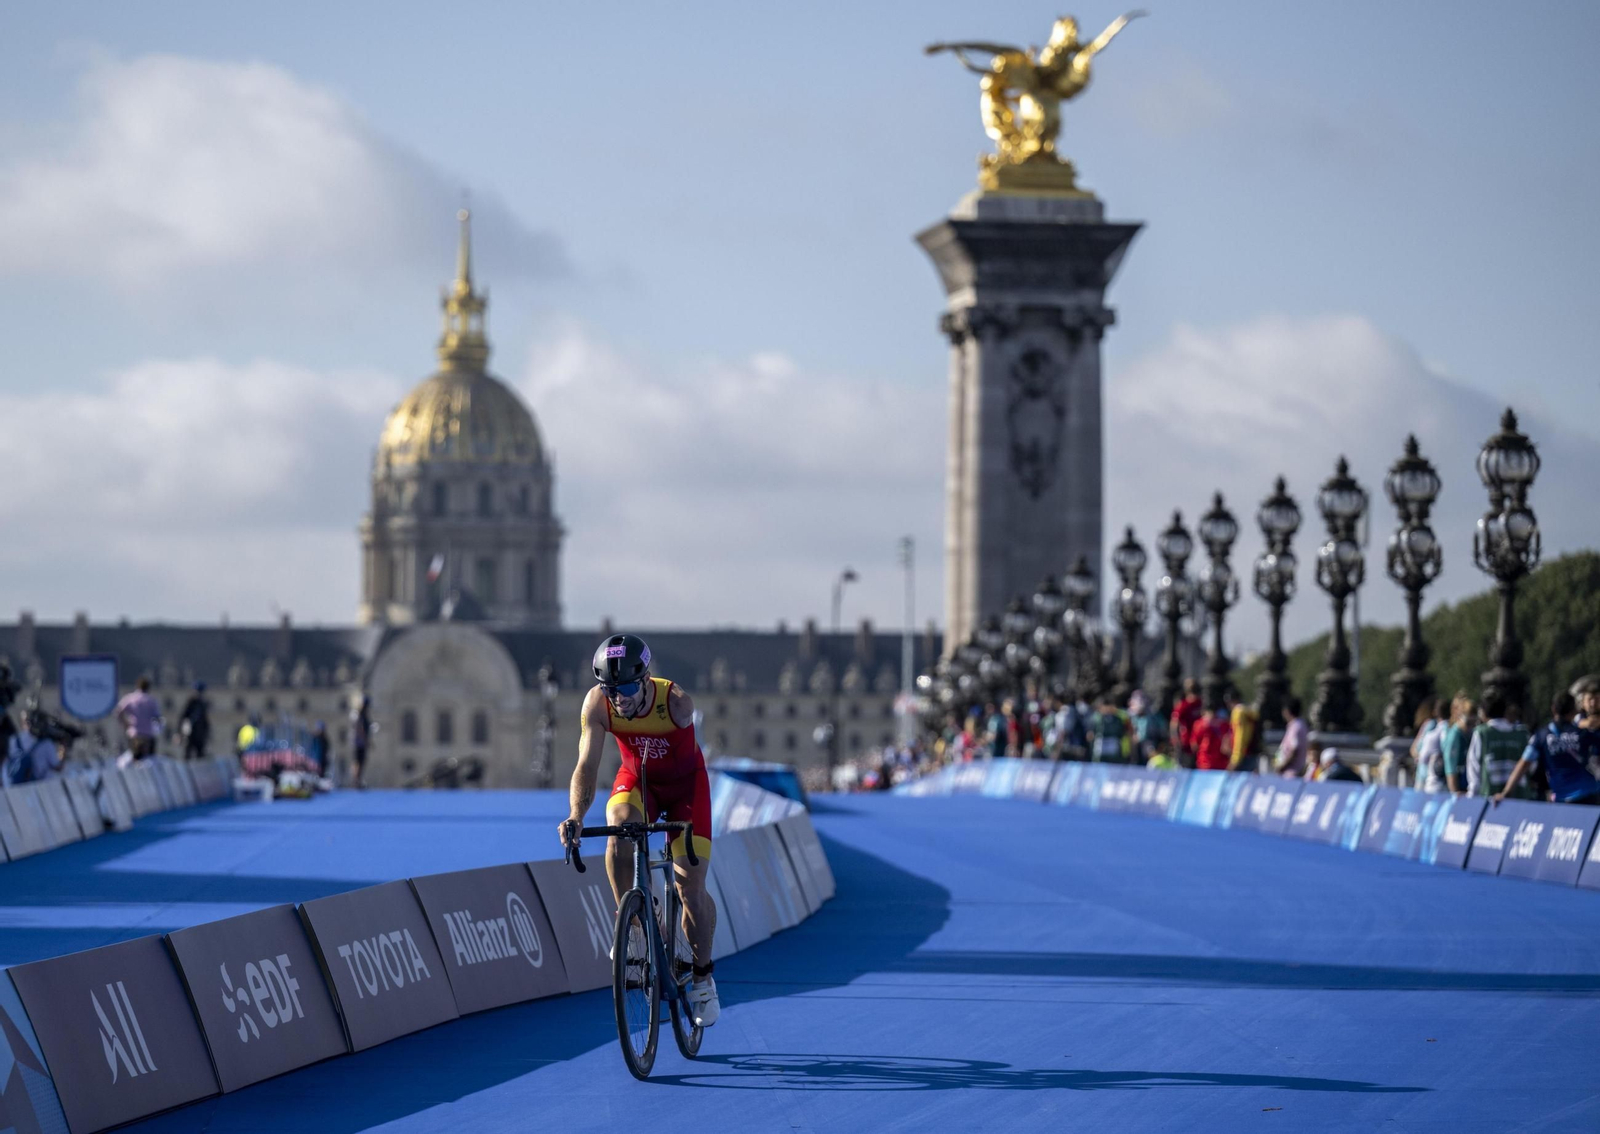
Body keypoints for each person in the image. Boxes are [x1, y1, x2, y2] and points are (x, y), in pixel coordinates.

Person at [560, 634, 720, 1028]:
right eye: (611, 689)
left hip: (685, 788)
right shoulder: (598, 704)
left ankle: (702, 976)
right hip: (638, 781)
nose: (620, 698)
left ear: (647, 679)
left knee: (690, 888)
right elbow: (587, 764)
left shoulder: (677, 703)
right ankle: (635, 926)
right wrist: (576, 816)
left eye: (628, 687)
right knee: (618, 830)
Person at [1494, 692, 1600, 805]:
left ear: (1553, 709)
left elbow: (1523, 764)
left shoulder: (1541, 736)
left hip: (1563, 799)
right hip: (1589, 796)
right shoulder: (1583, 733)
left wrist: (1506, 793)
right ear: (1574, 711)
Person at [1466, 692, 1531, 799]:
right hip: (1519, 799)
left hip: (1490, 801)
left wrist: (1472, 796)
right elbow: (1531, 766)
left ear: (1484, 712)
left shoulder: (1482, 733)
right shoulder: (1522, 734)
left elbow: (1474, 768)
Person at [4, 709, 62, 785]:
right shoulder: (47, 744)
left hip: (12, 785)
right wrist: (62, 750)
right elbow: (57, 767)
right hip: (36, 787)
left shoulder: (14, 739)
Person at [114, 677, 163, 760]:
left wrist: (125, 724)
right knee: (149, 760)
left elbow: (118, 711)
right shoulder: (151, 701)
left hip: (134, 733)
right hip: (148, 735)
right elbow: (157, 718)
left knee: (134, 758)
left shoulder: (130, 698)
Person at [1440, 694, 1477, 795]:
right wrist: (1455, 792)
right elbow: (1450, 766)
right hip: (1454, 787)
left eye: (1474, 723)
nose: (1471, 727)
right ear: (1460, 718)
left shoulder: (1471, 734)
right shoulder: (1455, 735)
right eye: (1468, 723)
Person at [1410, 697, 1448, 792]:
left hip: (1423, 773)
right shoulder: (1433, 725)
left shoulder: (1429, 725)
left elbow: (1415, 749)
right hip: (1432, 774)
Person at [1170, 678, 1203, 767]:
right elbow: (1175, 725)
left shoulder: (1199, 704)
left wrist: (1176, 741)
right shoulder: (1184, 706)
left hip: (1198, 745)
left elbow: (1174, 725)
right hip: (1188, 746)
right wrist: (1177, 742)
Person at [1273, 696, 1310, 777]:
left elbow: (1294, 750)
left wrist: (1282, 766)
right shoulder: (1296, 725)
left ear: (1287, 711)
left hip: (1291, 774)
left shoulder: (1296, 727)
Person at [1087, 695, 1130, 763]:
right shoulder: (1096, 718)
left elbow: (1123, 733)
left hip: (1114, 750)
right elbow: (1091, 734)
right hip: (1100, 750)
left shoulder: (1118, 719)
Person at [1226, 688, 1261, 773]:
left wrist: (1235, 760)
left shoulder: (1238, 713)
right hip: (1252, 754)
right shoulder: (1249, 711)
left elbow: (1240, 737)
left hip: (1242, 757)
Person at [1128, 689, 1166, 764]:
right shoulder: (1131, 716)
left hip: (1150, 743)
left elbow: (1162, 730)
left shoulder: (1154, 715)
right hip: (1136, 745)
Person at [1192, 703, 1233, 771]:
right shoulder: (1224, 724)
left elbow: (1194, 745)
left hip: (1204, 763)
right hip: (1221, 764)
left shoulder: (1199, 724)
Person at [179, 681, 211, 762]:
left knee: (199, 755)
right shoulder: (191, 702)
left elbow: (204, 720)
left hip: (199, 734)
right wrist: (179, 732)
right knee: (188, 755)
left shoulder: (202, 703)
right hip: (191, 732)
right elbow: (184, 717)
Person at [350, 698, 373, 788]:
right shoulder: (360, 715)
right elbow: (360, 728)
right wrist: (366, 740)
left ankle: (357, 780)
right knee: (358, 761)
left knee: (360, 762)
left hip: (360, 742)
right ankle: (356, 781)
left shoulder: (362, 714)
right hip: (360, 742)